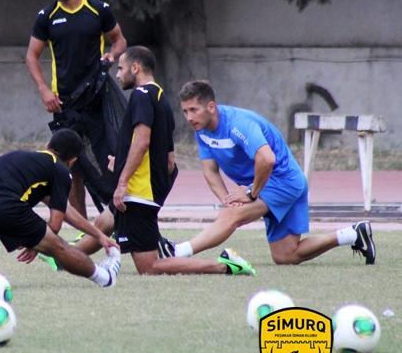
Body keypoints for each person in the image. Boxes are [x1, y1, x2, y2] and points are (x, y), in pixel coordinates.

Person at [62, 47, 255, 276]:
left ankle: (226, 265)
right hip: (146, 190)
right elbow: (169, 160)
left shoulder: (141, 95)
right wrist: (125, 163)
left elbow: (142, 141)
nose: (118, 75)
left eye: (121, 68)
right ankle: (64, 258)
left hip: (137, 191)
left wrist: (123, 182)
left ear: (136, 68)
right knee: (106, 222)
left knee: (149, 267)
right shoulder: (161, 98)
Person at [161, 80, 376, 265]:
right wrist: (227, 200)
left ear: (211, 107)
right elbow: (210, 171)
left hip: (283, 181)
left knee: (232, 215)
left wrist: (250, 193)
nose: (189, 117)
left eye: (194, 110)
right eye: (185, 111)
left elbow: (267, 158)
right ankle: (352, 234)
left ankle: (178, 252)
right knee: (285, 255)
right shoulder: (202, 130)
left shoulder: (238, 124)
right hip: (268, 184)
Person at [0, 129, 121, 290]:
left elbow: (66, 209)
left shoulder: (26, 161)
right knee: (59, 247)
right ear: (72, 160)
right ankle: (104, 277)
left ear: (48, 146)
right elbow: (55, 225)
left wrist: (99, 235)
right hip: (4, 205)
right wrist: (38, 244)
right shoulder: (60, 170)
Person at [25, 0, 127, 218]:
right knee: (71, 167)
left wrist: (113, 55)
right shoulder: (47, 16)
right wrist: (44, 90)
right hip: (65, 104)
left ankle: (116, 218)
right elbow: (31, 56)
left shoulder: (98, 10)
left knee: (105, 159)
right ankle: (83, 228)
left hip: (96, 100)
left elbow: (119, 40)